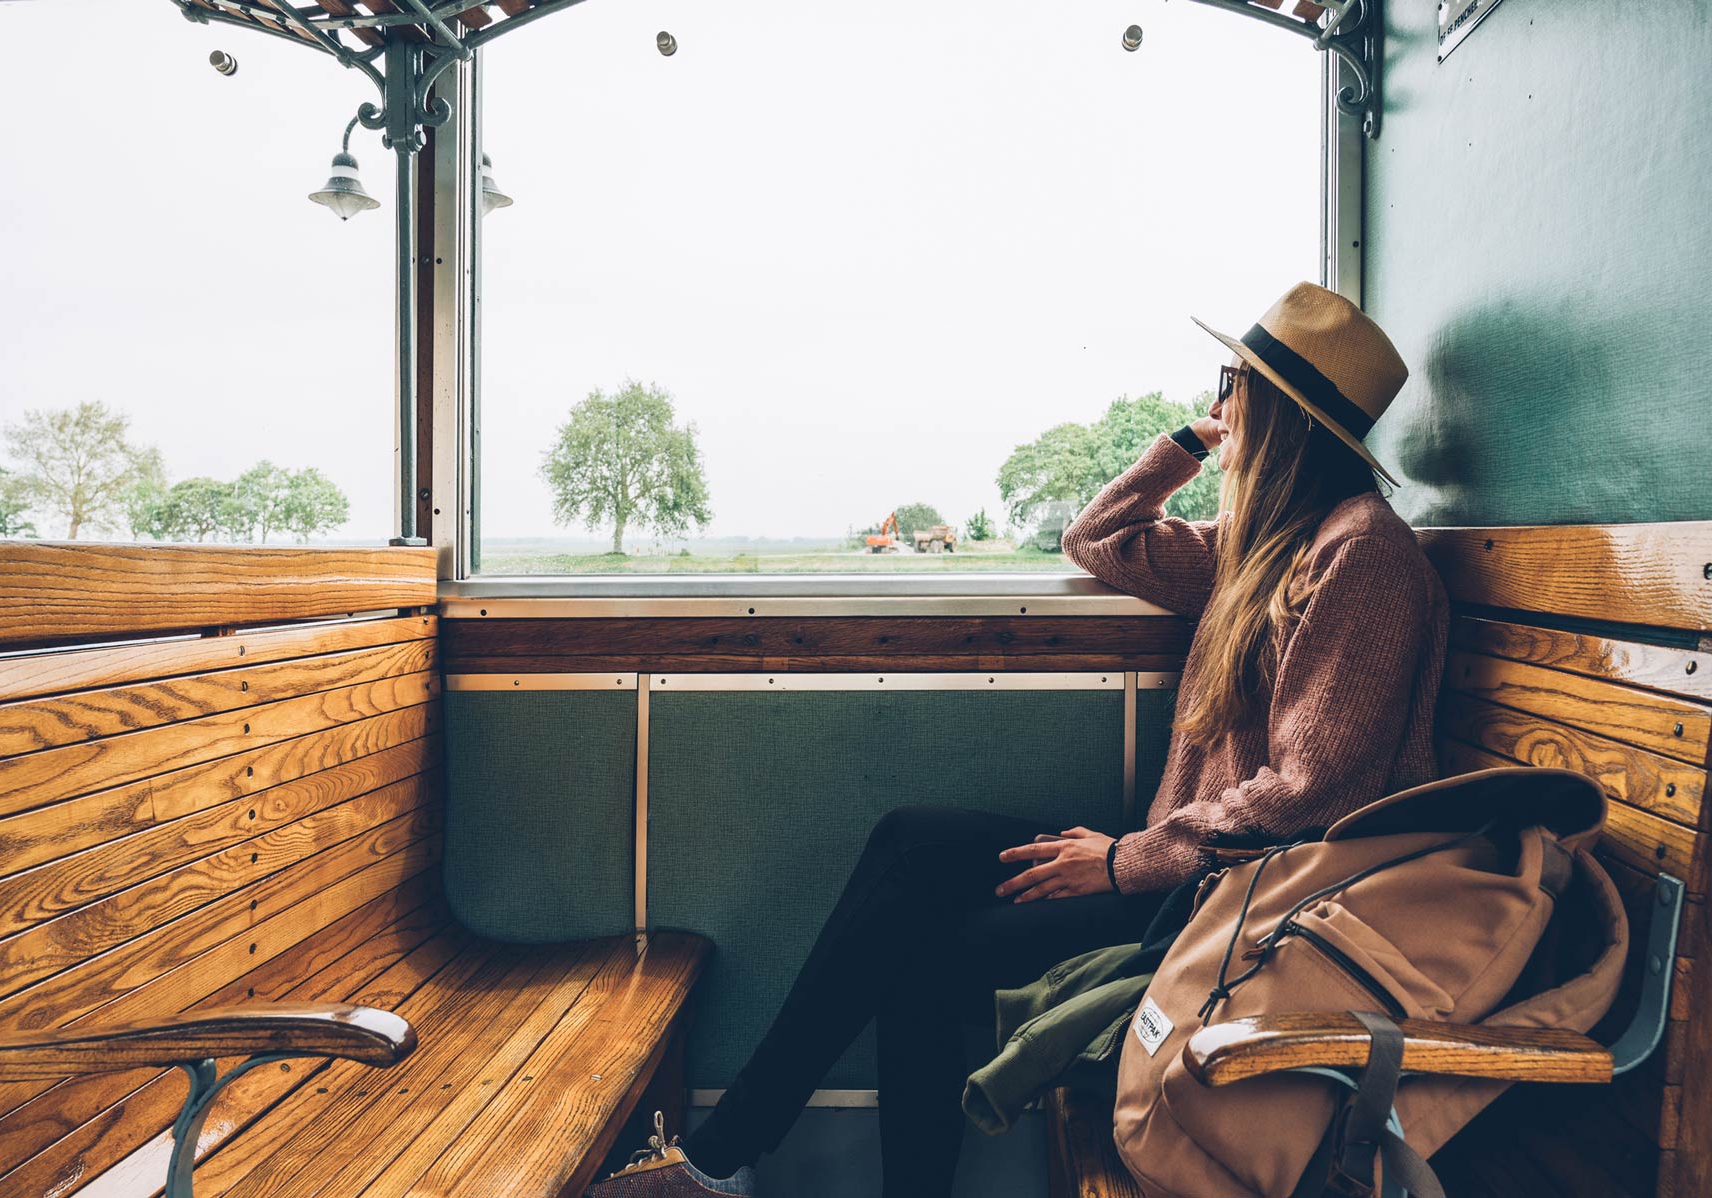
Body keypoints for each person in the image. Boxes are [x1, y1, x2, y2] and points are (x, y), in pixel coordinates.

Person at [585, 282, 1451, 1197]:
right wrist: (1193, 441)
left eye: (1233, 383)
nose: (1221, 398)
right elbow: (1099, 537)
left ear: (1282, 416)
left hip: (1234, 907)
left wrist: (1123, 860)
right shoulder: (1266, 545)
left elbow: (1306, 792)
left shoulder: (1362, 559)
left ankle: (721, 1161)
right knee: (909, 840)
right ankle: (721, 1163)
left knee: (912, 953)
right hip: (1186, 873)